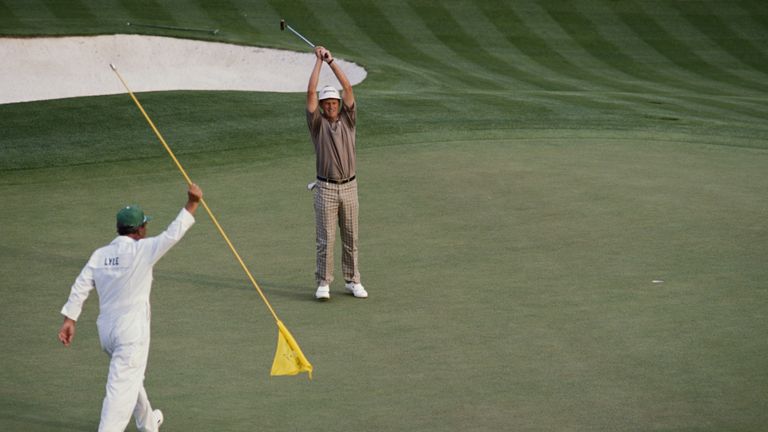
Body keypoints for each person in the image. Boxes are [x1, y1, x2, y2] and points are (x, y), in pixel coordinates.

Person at [57, 183, 203, 431]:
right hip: (131, 334)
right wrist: (192, 204)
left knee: (131, 379)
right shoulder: (143, 250)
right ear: (140, 229)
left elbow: (81, 285)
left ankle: (149, 425)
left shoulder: (100, 254)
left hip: (107, 333)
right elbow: (172, 234)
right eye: (145, 224)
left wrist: (70, 319)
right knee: (119, 392)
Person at [306, 45, 367, 300]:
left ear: (339, 104)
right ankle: (323, 283)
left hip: (349, 186)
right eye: (326, 103)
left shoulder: (348, 120)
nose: (330, 106)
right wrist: (318, 62)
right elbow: (310, 92)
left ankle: (353, 280)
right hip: (326, 188)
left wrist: (331, 61)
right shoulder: (317, 124)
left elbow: (349, 89)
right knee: (326, 239)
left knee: (351, 237)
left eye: (333, 102)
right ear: (321, 106)